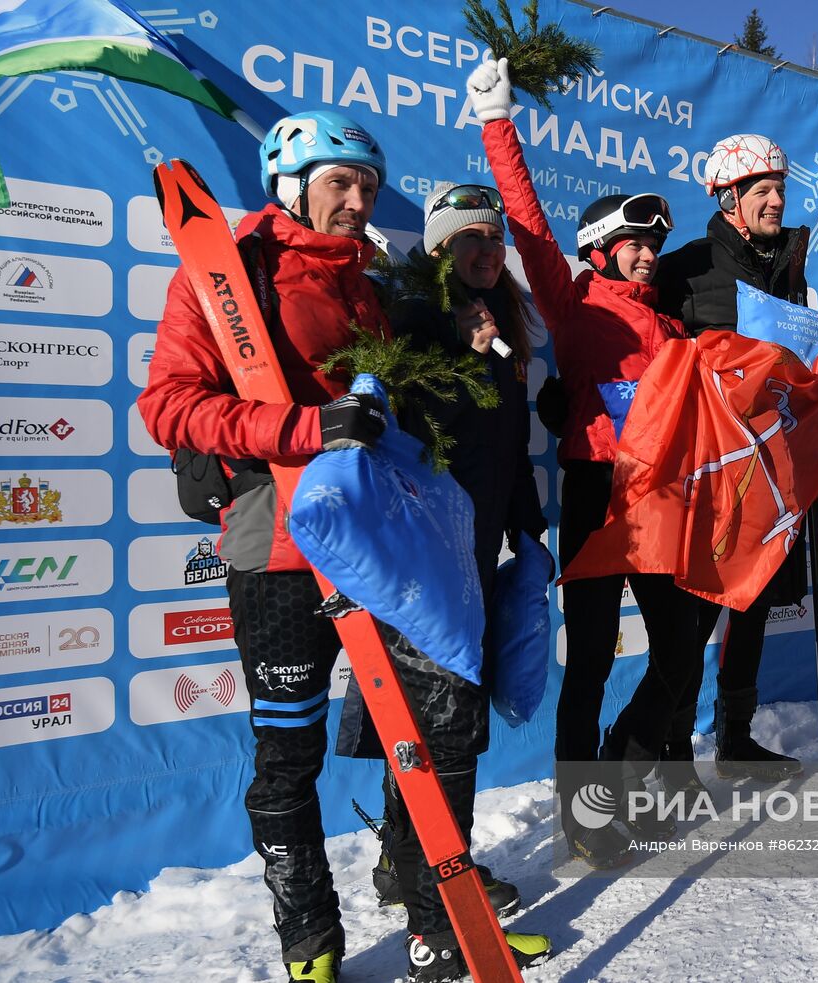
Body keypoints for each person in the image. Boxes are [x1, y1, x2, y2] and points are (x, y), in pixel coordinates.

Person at [138, 110, 549, 983]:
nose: (358, 200)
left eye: (366, 184)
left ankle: (441, 922)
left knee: (438, 733)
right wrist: (305, 425)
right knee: (289, 755)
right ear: (292, 185)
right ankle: (312, 948)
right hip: (277, 544)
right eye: (339, 183)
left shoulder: (369, 283)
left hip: (380, 548)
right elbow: (170, 405)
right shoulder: (234, 271)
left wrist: (457, 341)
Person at [466, 57, 701, 870]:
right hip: (598, 493)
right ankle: (584, 814)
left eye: (654, 246)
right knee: (593, 660)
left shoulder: (671, 329)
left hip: (664, 499)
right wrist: (499, 121)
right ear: (601, 250)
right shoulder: (573, 303)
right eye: (636, 244)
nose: (649, 256)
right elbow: (528, 224)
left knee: (679, 653)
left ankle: (618, 765)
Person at [368, 180, 546, 920]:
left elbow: (507, 437)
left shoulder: (504, 321)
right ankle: (440, 872)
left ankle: (405, 861)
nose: (486, 248)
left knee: (443, 716)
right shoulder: (417, 315)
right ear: (440, 246)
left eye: (494, 237)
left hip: (477, 546)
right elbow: (410, 415)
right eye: (470, 237)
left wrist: (527, 526)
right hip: (425, 553)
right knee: (438, 719)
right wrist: (462, 348)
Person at [653, 132, 813, 785]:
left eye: (780, 189)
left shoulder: (790, 270)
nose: (776, 201)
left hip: (773, 473)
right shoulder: (685, 269)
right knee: (694, 619)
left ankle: (736, 738)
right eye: (762, 192)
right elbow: (652, 364)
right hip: (710, 473)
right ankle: (670, 751)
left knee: (749, 614)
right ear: (729, 200)